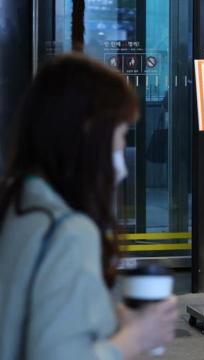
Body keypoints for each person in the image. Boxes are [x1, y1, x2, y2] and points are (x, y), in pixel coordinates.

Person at [0, 54, 177, 360]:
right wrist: (135, 338)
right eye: (122, 133)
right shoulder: (70, 232)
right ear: (90, 132)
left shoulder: (16, 201)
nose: (123, 148)